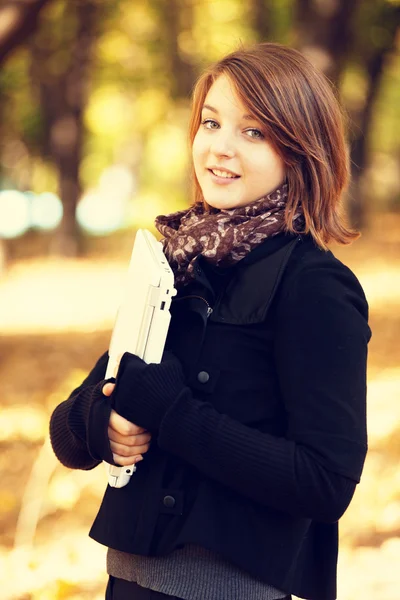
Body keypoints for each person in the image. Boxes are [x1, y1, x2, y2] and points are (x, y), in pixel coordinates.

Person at [49, 42, 371, 600]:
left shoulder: (315, 286)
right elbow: (67, 431)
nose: (220, 148)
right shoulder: (176, 264)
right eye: (211, 122)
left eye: (253, 132)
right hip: (127, 583)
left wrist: (173, 414)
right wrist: (103, 424)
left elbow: (326, 482)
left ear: (298, 151)